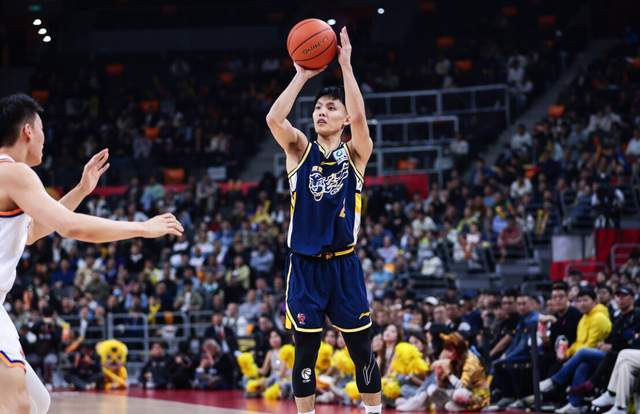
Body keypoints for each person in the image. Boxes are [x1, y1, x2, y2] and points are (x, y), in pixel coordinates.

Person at [0, 93, 183, 414]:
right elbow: (72, 227)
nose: (44, 138)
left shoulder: (10, 177)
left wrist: (82, 190)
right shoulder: (14, 173)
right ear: (28, 130)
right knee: (17, 403)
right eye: (42, 129)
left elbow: (32, 232)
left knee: (38, 402)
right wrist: (142, 227)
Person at [265, 27, 382, 414]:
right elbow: (274, 118)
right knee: (305, 353)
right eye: (318, 108)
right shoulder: (300, 149)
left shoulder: (356, 153)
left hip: (344, 265)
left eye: (331, 108)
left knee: (362, 351)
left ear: (344, 118)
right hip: (305, 266)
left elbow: (360, 117)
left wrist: (346, 65)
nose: (321, 112)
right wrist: (302, 75)